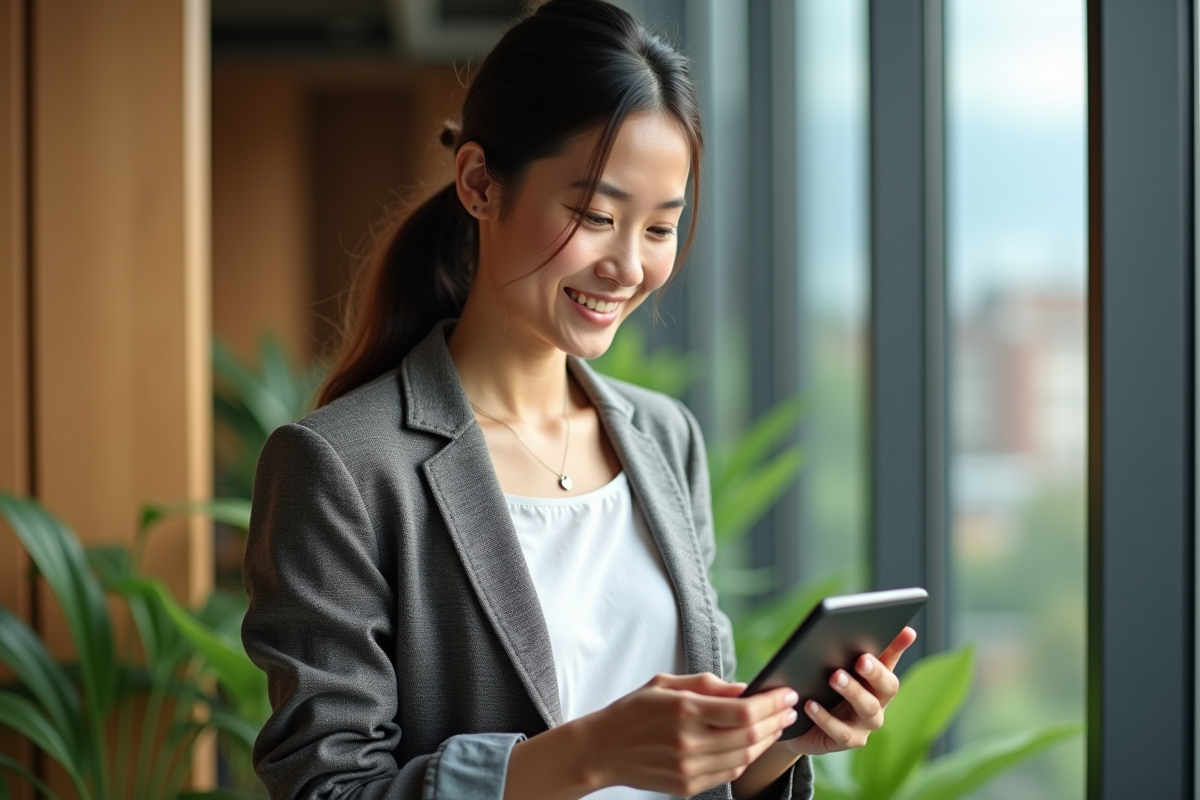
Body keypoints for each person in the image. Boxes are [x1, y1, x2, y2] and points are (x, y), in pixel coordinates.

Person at [241, 1, 916, 798]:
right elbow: (326, 788)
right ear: (479, 184)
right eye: (595, 215)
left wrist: (777, 745)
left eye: (659, 228)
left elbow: (696, 769)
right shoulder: (342, 467)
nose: (628, 266)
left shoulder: (665, 438)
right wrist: (587, 755)